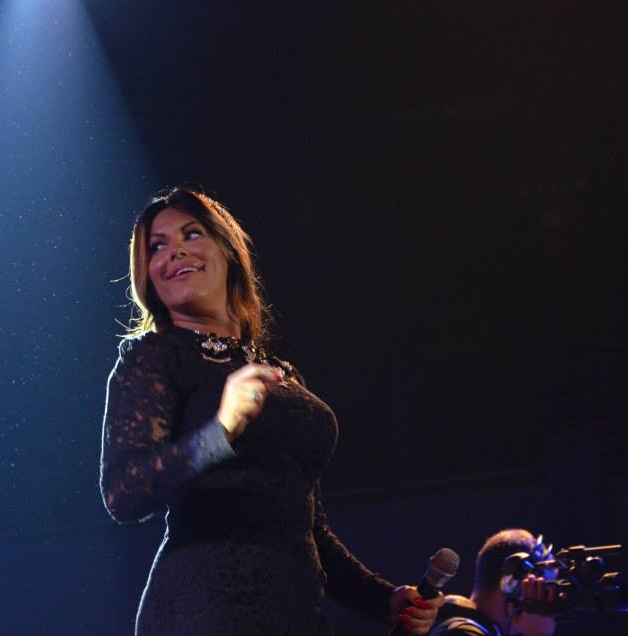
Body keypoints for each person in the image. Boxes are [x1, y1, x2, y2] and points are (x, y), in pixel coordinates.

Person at [99, 186, 444, 635]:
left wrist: (384, 599)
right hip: (203, 612)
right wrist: (220, 431)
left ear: (228, 249)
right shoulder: (154, 356)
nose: (174, 251)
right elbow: (124, 492)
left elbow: (306, 526)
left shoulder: (282, 375)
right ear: (148, 275)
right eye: (156, 247)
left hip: (296, 614)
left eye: (192, 234)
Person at [430, 529, 557, 636]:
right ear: (513, 585)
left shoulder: (452, 624)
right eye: (540, 590)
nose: (547, 610)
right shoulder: (463, 632)